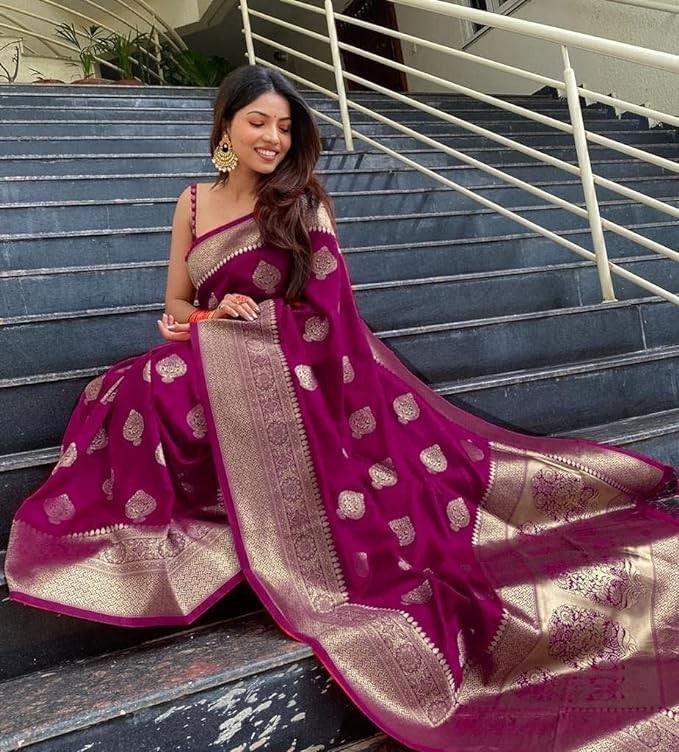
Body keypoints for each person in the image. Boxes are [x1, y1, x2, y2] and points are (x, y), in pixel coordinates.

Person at [5, 65, 679, 751]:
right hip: (217, 350)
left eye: (284, 126)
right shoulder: (193, 203)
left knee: (164, 383)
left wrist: (255, 324)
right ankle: (156, 538)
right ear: (225, 127)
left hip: (293, 367)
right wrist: (210, 314)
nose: (272, 138)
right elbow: (177, 302)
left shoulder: (301, 204)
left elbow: (329, 314)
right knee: (126, 386)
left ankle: (233, 514)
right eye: (257, 122)